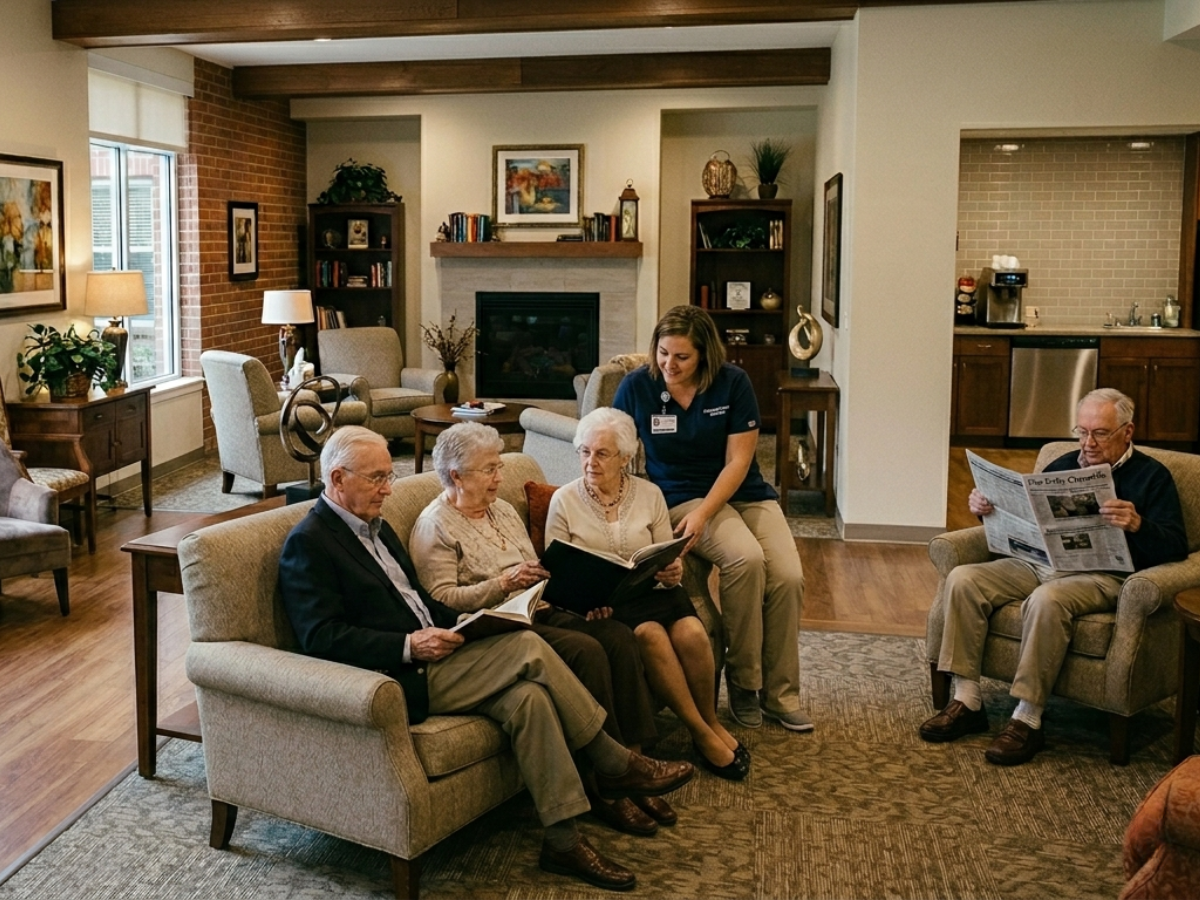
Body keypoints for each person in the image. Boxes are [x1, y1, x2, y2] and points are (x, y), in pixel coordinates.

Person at [277, 426, 694, 891]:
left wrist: (460, 624)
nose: (388, 489)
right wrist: (410, 646)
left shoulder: (378, 527)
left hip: (438, 649)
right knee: (530, 646)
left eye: (388, 476)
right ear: (337, 478)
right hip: (398, 677)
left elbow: (420, 602)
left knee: (530, 700)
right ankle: (614, 762)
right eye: (377, 479)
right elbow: (320, 637)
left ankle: (562, 841)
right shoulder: (309, 542)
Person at [408, 422, 670, 835]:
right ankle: (606, 788)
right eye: (489, 470)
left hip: (541, 609)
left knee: (617, 636)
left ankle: (632, 763)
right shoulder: (435, 526)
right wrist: (503, 584)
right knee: (587, 652)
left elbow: (540, 573)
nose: (499, 478)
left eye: (499, 467)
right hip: (500, 627)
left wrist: (582, 596)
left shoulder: (503, 510)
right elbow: (440, 600)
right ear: (456, 475)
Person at [922, 388, 1188, 765]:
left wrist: (1138, 524)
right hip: (1038, 565)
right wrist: (987, 510)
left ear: (1127, 432)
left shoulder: (1152, 477)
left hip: (1102, 575)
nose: (1088, 443)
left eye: (1100, 433)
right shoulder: (1061, 465)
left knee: (1047, 600)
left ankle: (1027, 719)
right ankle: (967, 699)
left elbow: (1176, 547)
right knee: (963, 579)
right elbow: (1027, 525)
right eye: (1081, 432)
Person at [613, 304, 811, 733]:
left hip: (742, 493)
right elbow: (612, 442)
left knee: (789, 576)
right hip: (680, 496)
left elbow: (739, 462)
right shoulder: (637, 387)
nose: (670, 364)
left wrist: (707, 512)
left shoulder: (732, 383)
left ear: (704, 355)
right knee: (746, 559)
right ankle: (745, 682)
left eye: (682, 357)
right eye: (664, 353)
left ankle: (781, 695)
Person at [545, 407, 751, 780]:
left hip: (654, 592)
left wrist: (674, 571)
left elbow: (664, 555)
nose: (591, 462)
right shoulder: (564, 500)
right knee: (649, 636)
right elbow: (557, 573)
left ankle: (710, 721)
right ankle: (702, 733)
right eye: (585, 451)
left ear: (625, 457)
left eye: (602, 453)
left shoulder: (650, 494)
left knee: (691, 633)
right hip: (607, 605)